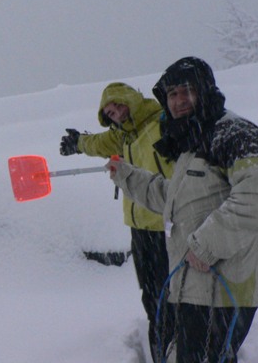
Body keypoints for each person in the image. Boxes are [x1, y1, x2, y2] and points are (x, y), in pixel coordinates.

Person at [107, 57, 258, 362]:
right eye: (172, 95)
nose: (179, 101)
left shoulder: (234, 133)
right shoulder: (195, 141)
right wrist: (126, 175)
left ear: (205, 90)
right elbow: (176, 202)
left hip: (225, 286)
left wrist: (206, 245)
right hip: (196, 285)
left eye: (186, 91)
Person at [60, 82, 174, 362]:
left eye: (119, 106)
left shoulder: (162, 123)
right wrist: (78, 143)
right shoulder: (123, 135)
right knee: (152, 297)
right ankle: (161, 350)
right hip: (139, 228)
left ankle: (178, 347)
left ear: (131, 99)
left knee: (172, 297)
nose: (117, 114)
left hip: (167, 227)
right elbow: (98, 143)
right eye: (110, 113)